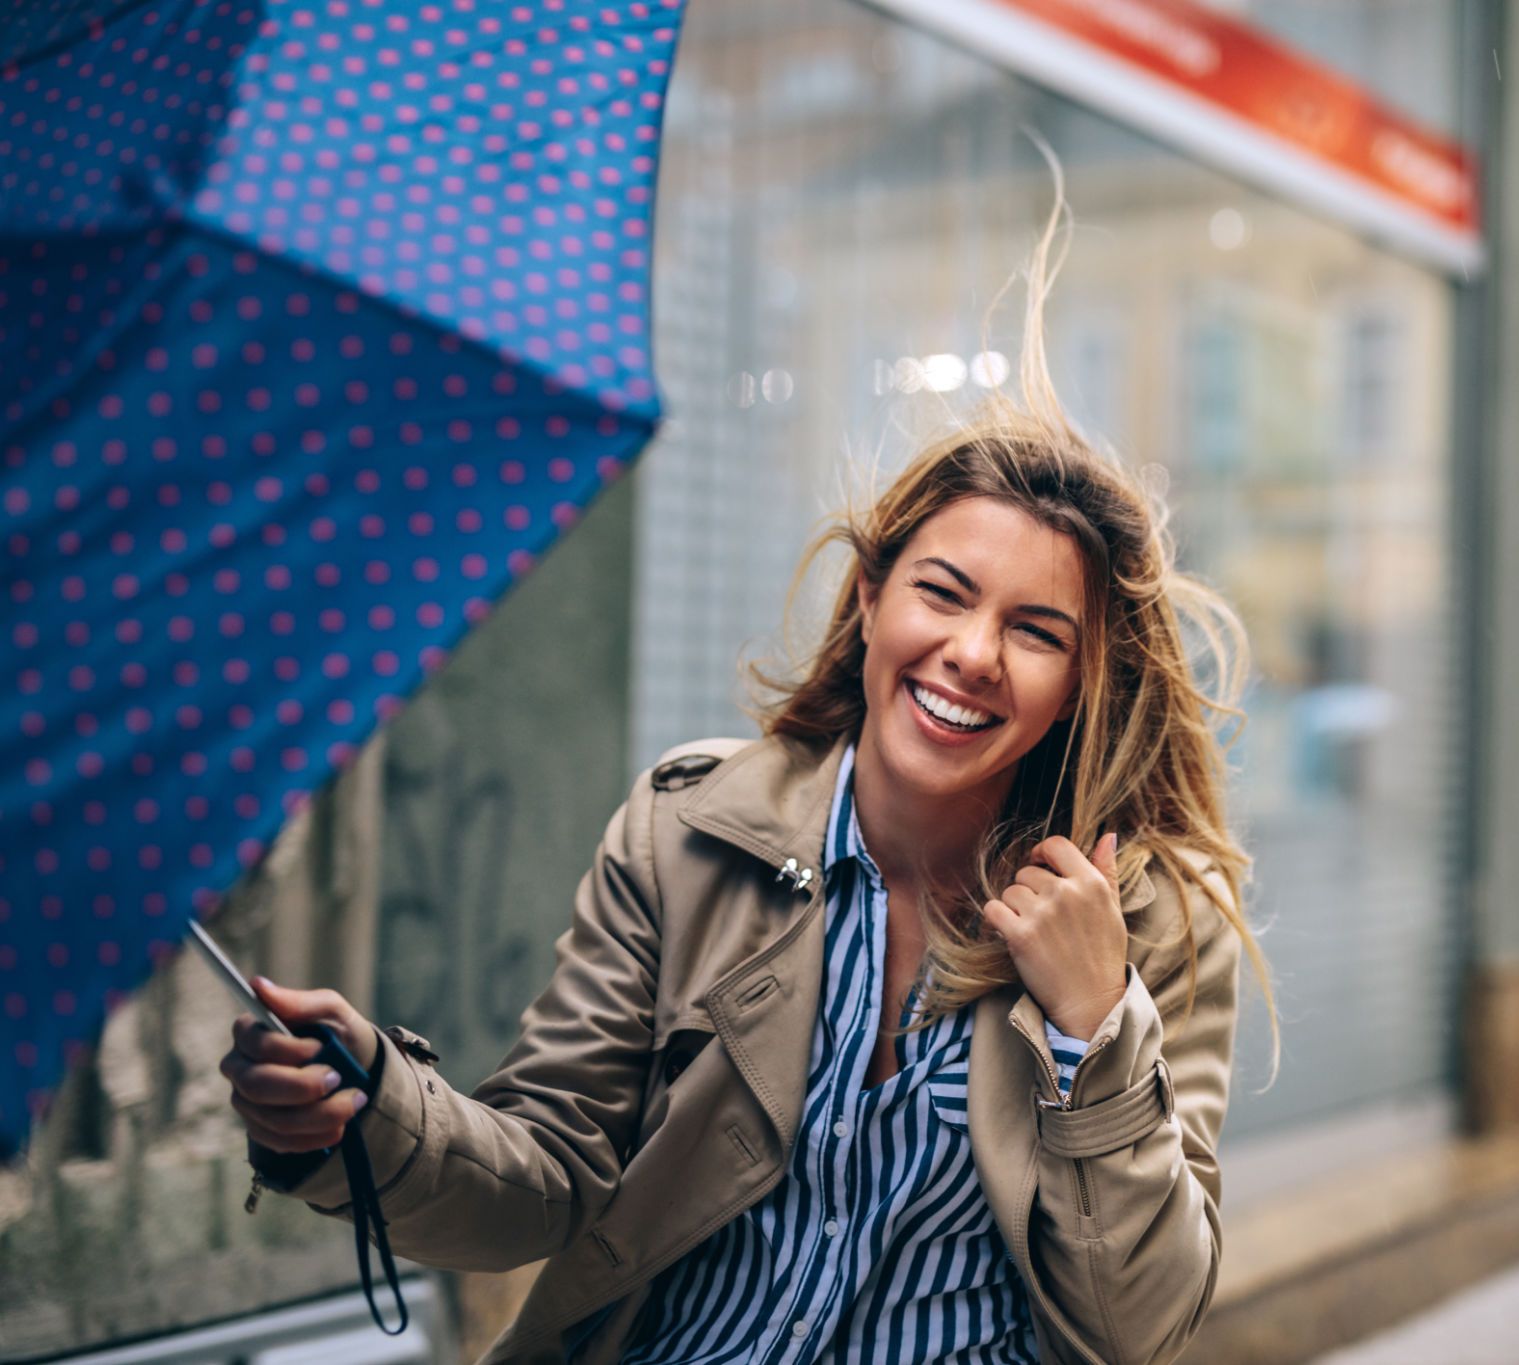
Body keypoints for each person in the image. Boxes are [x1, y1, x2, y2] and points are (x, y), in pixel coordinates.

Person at [217, 180, 1275, 1365]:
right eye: (941, 592)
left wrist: (1095, 1029)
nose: (972, 655)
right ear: (869, 600)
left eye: (1036, 632)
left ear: (1081, 681)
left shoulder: (1151, 922)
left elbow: (1143, 1324)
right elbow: (548, 1174)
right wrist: (369, 1121)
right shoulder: (686, 833)